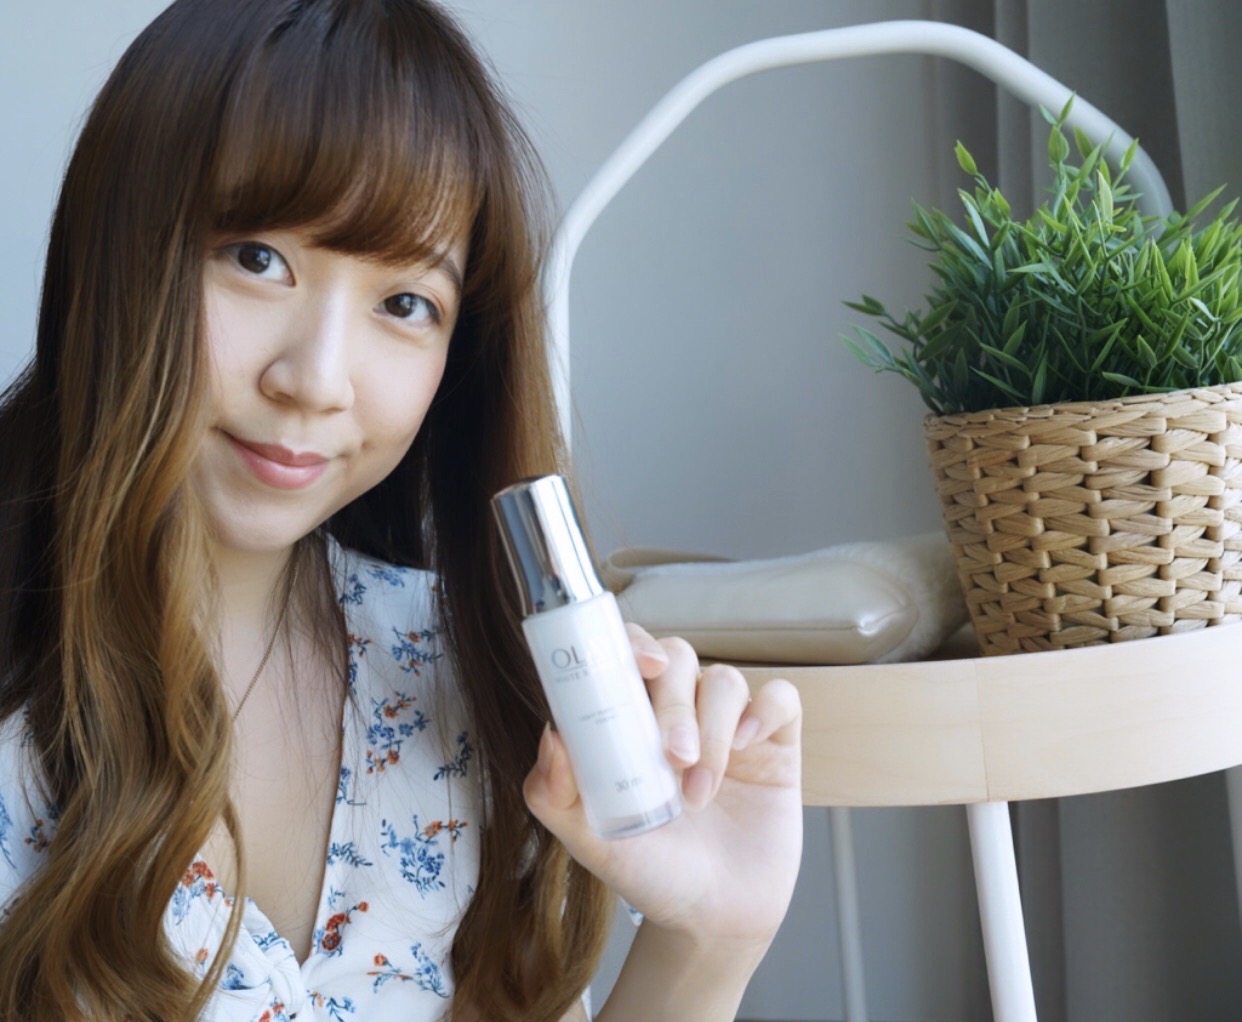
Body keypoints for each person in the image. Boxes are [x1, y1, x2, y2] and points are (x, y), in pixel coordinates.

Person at [0, 0, 803, 1018]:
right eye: (257, 258)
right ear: (116, 246)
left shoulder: (453, 674)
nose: (316, 379)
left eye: (404, 303)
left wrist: (710, 938)